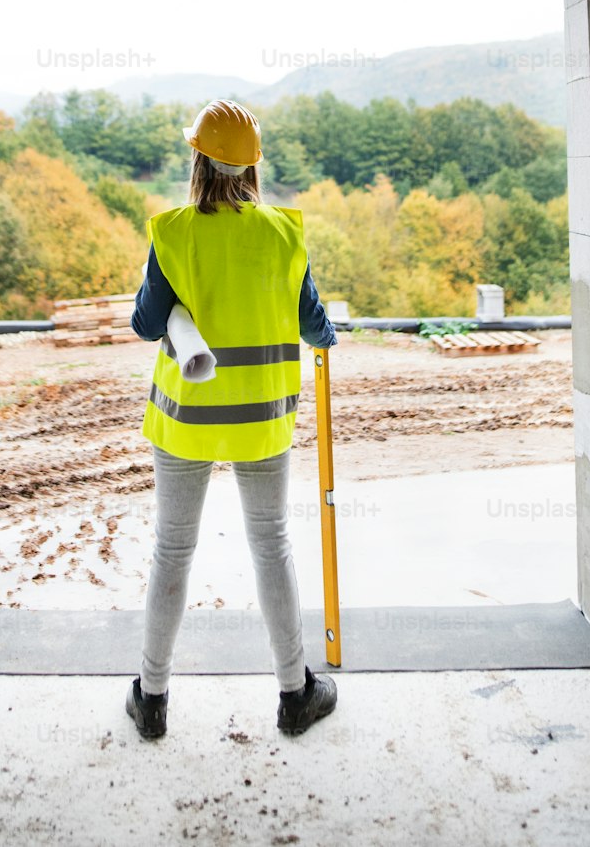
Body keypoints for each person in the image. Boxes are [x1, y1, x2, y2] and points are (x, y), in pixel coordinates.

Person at [125, 98, 339, 740]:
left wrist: (174, 307)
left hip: (187, 421)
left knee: (172, 550)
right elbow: (312, 325)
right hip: (260, 422)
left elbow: (142, 323)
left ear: (197, 161)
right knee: (271, 547)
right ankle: (295, 693)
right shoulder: (282, 234)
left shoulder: (174, 233)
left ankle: (153, 698)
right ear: (252, 167)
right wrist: (331, 333)